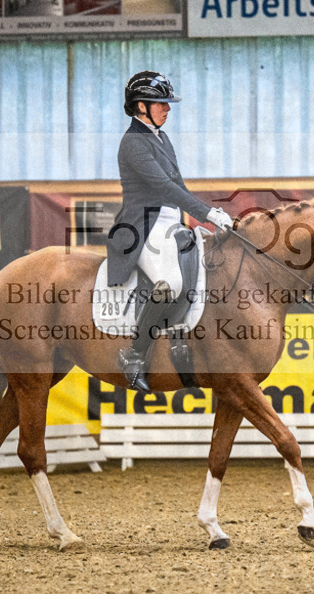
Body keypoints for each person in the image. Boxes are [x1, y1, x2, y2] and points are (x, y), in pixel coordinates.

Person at [105, 71, 233, 392]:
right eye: (161, 103)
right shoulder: (133, 142)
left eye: (167, 102)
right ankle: (134, 354)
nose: (168, 108)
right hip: (142, 226)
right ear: (140, 106)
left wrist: (200, 217)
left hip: (171, 223)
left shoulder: (161, 138)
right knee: (171, 283)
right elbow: (162, 186)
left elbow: (177, 186)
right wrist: (207, 212)